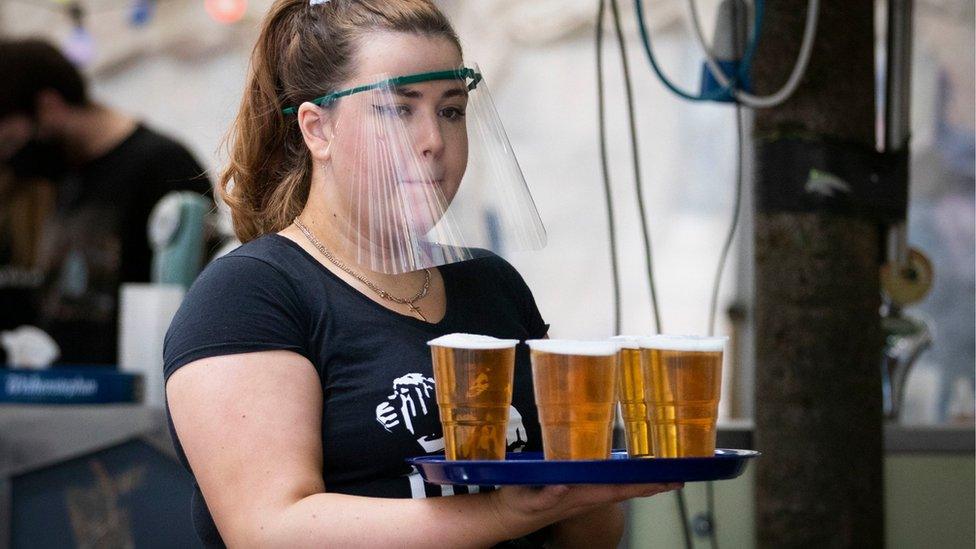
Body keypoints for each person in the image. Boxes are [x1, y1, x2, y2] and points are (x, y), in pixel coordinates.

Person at [163, 1, 680, 547]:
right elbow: (269, 529)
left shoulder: (491, 282)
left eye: (452, 110)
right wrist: (505, 514)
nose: (434, 139)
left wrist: (588, 482)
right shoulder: (251, 293)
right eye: (398, 109)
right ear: (318, 130)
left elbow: (582, 537)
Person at [0, 39, 213, 365]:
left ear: (49, 105)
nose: (11, 157)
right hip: (63, 388)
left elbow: (193, 294)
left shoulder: (163, 164)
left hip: (132, 395)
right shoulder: (67, 173)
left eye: (11, 141)